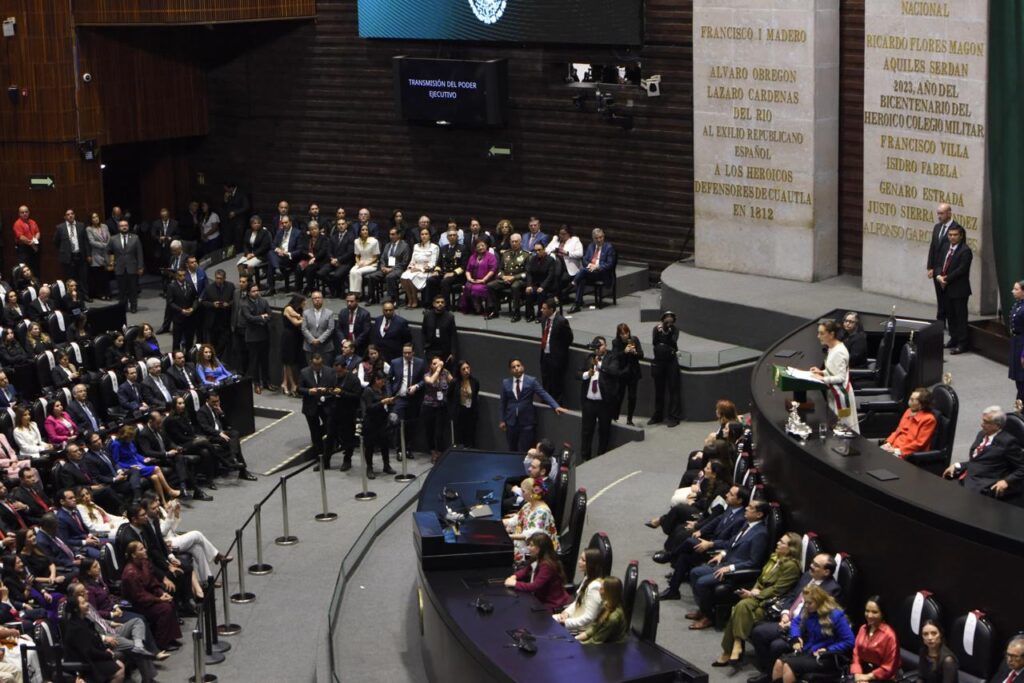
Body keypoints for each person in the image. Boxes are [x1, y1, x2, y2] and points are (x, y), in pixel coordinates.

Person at [715, 532, 803, 666]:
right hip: (758, 596)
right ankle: (735, 646)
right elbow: (761, 579)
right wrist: (752, 591)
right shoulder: (774, 557)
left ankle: (732, 648)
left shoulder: (792, 566)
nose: (778, 543)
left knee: (739, 609)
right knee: (742, 607)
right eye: (779, 540)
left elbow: (778, 589)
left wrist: (754, 595)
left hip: (771, 602)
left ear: (792, 548)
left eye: (782, 543)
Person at [687, 501, 771, 630]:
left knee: (702, 582)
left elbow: (754, 562)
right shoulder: (747, 524)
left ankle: (709, 617)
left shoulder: (761, 534)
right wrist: (723, 553)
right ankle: (704, 610)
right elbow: (732, 543)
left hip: (734, 573)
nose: (746, 508)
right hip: (725, 562)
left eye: (751, 508)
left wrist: (730, 568)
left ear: (759, 514)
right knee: (694, 572)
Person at [771, 585, 855, 683]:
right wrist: (796, 638)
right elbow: (795, 622)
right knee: (779, 662)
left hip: (827, 657)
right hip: (809, 650)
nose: (806, 605)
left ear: (819, 601)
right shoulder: (809, 611)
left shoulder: (835, 615)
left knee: (788, 665)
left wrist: (828, 649)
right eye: (805, 602)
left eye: (809, 603)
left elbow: (849, 641)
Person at [943, 406, 1024, 501]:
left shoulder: (1008, 443)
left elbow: (1022, 467)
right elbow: (978, 461)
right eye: (983, 420)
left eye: (986, 422)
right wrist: (958, 465)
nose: (982, 424)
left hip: (983, 483)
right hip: (969, 476)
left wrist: (1007, 481)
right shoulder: (981, 434)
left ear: (997, 425)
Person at [119, 541, 182, 651]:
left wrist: (162, 593)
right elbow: (139, 596)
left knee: (170, 602)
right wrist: (159, 599)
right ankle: (161, 643)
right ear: (133, 555)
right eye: (141, 549)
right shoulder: (130, 573)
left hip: (150, 597)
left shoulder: (144, 563)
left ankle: (170, 638)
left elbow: (153, 581)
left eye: (144, 548)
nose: (145, 550)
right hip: (138, 604)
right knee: (165, 608)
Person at [499, 358, 567, 451]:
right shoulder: (505, 383)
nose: (516, 368)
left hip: (526, 422)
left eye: (518, 366)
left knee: (525, 449)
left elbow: (543, 394)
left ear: (523, 367)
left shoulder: (531, 381)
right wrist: (502, 420)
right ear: (510, 370)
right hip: (511, 422)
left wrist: (556, 406)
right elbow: (503, 402)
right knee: (511, 448)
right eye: (513, 367)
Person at [62, 591, 128, 683]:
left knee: (120, 663)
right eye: (83, 603)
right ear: (76, 609)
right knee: (120, 670)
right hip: (85, 663)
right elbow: (88, 652)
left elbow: (96, 639)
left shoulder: (84, 620)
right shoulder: (76, 628)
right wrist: (107, 655)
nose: (87, 604)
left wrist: (105, 649)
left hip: (92, 657)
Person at [109, 425, 180, 507]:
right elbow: (116, 461)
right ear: (124, 436)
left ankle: (163, 502)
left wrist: (144, 459)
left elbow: (135, 454)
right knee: (156, 468)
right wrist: (129, 467)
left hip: (138, 463)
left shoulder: (129, 442)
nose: (132, 439)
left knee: (155, 478)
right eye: (130, 437)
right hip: (132, 468)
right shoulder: (116, 445)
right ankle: (169, 490)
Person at [810, 319, 859, 433]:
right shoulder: (833, 348)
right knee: (834, 426)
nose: (818, 336)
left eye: (822, 333)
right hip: (834, 393)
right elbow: (833, 370)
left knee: (843, 428)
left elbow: (841, 378)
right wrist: (822, 372)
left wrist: (823, 378)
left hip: (841, 395)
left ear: (831, 334)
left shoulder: (840, 352)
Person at [578, 336, 622, 461]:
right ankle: (585, 458)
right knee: (586, 432)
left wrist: (600, 365)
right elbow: (578, 374)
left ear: (605, 346)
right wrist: (587, 374)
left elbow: (614, 372)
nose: (597, 349)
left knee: (604, 431)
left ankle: (600, 457)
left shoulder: (612, 357)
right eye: (595, 347)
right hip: (589, 403)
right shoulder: (588, 357)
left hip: (604, 403)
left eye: (600, 346)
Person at [503, 532, 570, 611]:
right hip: (540, 599)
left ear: (540, 548)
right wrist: (514, 576)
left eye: (531, 545)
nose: (528, 547)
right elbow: (525, 571)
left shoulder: (547, 565)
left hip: (551, 604)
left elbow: (535, 586)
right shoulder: (537, 558)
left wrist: (515, 583)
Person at [503, 477, 559, 562]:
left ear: (532, 493)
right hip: (526, 544)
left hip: (536, 551)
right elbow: (515, 520)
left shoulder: (542, 512)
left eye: (523, 491)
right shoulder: (528, 505)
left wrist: (506, 537)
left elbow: (528, 536)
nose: (521, 493)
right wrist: (498, 523)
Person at [936, 224, 973, 354]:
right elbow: (940, 263)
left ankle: (963, 343)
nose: (952, 237)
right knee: (950, 316)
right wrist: (939, 275)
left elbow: (961, 270)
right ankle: (954, 338)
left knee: (960, 317)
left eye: (955, 235)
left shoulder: (965, 251)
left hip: (959, 290)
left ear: (961, 236)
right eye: (950, 235)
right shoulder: (946, 247)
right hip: (945, 288)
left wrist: (946, 279)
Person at [554, 549, 605, 633]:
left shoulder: (595, 586)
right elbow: (578, 602)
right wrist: (566, 613)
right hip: (574, 619)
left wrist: (566, 622)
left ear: (591, 564)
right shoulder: (587, 578)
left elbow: (589, 617)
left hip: (582, 630)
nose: (579, 562)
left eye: (583, 560)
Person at [849, 596, 900, 681]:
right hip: (861, 672)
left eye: (874, 612)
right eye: (867, 611)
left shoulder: (889, 635)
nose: (869, 615)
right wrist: (857, 673)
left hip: (880, 677)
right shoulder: (863, 628)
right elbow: (856, 653)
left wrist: (867, 677)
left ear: (882, 614)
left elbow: (889, 667)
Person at [926, 203, 958, 325]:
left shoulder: (957, 229)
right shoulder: (937, 227)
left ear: (949, 213)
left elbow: (957, 254)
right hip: (937, 269)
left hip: (948, 271)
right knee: (940, 297)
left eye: (941, 213)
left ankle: (951, 324)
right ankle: (940, 322)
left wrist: (948, 273)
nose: (939, 216)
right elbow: (933, 247)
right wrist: (930, 267)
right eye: (938, 213)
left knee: (948, 299)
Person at [570, 228, 616, 314]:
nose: (599, 240)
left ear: (603, 236)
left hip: (602, 273)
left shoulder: (609, 247)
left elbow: (610, 264)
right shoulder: (591, 246)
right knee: (582, 278)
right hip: (590, 272)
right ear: (593, 238)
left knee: (582, 272)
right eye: (596, 238)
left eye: (600, 237)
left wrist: (597, 267)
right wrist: (590, 265)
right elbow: (584, 260)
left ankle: (573, 282)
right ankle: (577, 304)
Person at [881, 388, 937, 458]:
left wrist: (896, 450)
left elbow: (919, 444)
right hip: (893, 447)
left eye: (912, 399)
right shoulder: (909, 411)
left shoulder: (929, 419)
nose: (909, 401)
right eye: (910, 398)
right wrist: (888, 443)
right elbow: (898, 431)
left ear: (921, 405)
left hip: (907, 454)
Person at [299, 353, 335, 457]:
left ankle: (329, 451)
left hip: (326, 406)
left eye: (320, 364)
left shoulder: (330, 371)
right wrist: (309, 391)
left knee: (329, 428)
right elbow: (299, 389)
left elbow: (334, 388)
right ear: (311, 363)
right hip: (311, 406)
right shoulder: (304, 372)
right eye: (315, 365)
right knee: (314, 431)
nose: (318, 367)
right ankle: (319, 454)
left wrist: (326, 390)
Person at [361, 372, 396, 479]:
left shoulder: (384, 389)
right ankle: (369, 468)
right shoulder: (368, 391)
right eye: (381, 380)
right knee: (370, 446)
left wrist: (390, 402)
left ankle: (386, 465)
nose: (383, 382)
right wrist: (382, 402)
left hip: (382, 421)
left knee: (384, 444)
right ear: (375, 380)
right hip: (371, 422)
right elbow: (369, 408)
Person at [486, 233, 528, 321]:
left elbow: (527, 272)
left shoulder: (526, 255)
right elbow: (500, 269)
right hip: (505, 279)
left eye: (516, 241)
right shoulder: (506, 254)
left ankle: (516, 312)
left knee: (515, 286)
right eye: (512, 241)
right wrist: (503, 276)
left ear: (520, 242)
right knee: (490, 285)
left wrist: (514, 277)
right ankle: (495, 310)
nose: (514, 243)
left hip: (519, 280)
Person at [650, 311, 682, 427]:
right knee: (659, 389)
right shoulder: (656, 329)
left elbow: (673, 341)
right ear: (663, 320)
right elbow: (654, 343)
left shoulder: (675, 330)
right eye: (666, 320)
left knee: (673, 389)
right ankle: (658, 415)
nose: (668, 322)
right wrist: (661, 331)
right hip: (659, 361)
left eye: (671, 320)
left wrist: (667, 332)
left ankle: (674, 417)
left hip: (671, 361)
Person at [538, 298, 573, 402]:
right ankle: (545, 400)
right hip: (545, 355)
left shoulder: (561, 321)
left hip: (556, 358)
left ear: (551, 309)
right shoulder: (544, 319)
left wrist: (559, 352)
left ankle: (557, 403)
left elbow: (569, 339)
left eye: (544, 308)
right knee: (545, 380)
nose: (541, 310)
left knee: (556, 383)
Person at [240, 282, 272, 393]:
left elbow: (269, 314)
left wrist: (261, 318)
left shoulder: (263, 301)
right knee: (254, 361)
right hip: (252, 337)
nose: (256, 292)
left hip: (264, 335)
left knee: (265, 360)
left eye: (257, 290)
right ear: (248, 292)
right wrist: (261, 318)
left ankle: (266, 382)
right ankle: (256, 383)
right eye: (253, 291)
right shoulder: (244, 303)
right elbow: (249, 318)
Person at [576, 576, 627, 644]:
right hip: (601, 641)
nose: (599, 590)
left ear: (609, 592)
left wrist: (577, 645)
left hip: (611, 648)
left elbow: (596, 641)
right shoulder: (606, 604)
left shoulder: (614, 617)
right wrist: (575, 639)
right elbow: (594, 627)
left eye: (602, 588)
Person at [425, 226, 468, 306]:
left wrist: (453, 273)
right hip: (443, 273)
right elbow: (439, 263)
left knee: (445, 282)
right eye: (450, 235)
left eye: (454, 235)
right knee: (431, 280)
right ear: (447, 237)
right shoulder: (443, 248)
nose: (452, 237)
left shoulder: (463, 248)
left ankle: (445, 305)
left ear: (457, 237)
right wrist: (436, 271)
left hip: (457, 275)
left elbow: (464, 266)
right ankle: (430, 304)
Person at [420, 356, 452, 463]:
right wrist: (438, 369)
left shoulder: (445, 374)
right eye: (434, 363)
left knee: (439, 433)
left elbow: (453, 383)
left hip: (441, 407)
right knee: (430, 431)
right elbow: (431, 381)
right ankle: (433, 452)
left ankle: (440, 452)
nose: (437, 365)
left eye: (438, 363)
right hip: (428, 406)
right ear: (430, 365)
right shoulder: (427, 375)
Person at [108, 219, 144, 314]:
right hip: (119, 268)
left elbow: (139, 254)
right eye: (122, 225)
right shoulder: (113, 238)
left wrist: (140, 267)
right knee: (122, 289)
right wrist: (109, 262)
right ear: (119, 227)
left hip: (132, 267)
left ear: (128, 226)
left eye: (126, 225)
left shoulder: (135, 238)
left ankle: (133, 306)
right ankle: (123, 306)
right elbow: (107, 251)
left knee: (133, 289)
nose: (124, 227)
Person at [54, 209, 91, 299]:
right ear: (65, 217)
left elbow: (86, 241)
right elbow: (56, 242)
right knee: (70, 278)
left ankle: (84, 295)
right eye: (68, 214)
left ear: (74, 215)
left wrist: (89, 255)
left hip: (80, 255)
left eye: (72, 214)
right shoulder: (60, 227)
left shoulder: (81, 225)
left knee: (83, 277)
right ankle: (71, 296)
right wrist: (64, 250)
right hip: (68, 257)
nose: (70, 215)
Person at [612, 323, 644, 425]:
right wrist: (624, 352)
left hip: (633, 373)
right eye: (623, 334)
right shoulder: (616, 342)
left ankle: (629, 419)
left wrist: (635, 352)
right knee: (619, 396)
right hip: (622, 373)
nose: (625, 335)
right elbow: (615, 357)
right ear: (619, 335)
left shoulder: (634, 340)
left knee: (632, 397)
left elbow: (641, 355)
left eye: (627, 333)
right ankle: (614, 416)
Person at [367, 227, 410, 304]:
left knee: (390, 276)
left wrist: (391, 269)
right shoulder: (387, 245)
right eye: (390, 234)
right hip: (385, 268)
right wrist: (383, 267)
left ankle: (393, 299)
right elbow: (382, 258)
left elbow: (404, 262)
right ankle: (371, 298)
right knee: (372, 276)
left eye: (393, 234)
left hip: (398, 269)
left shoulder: (405, 246)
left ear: (398, 235)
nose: (391, 236)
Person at [400, 226, 438, 309]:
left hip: (426, 271)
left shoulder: (434, 247)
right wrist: (409, 267)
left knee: (411, 277)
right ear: (420, 236)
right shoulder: (416, 246)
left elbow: (433, 264)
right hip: (415, 269)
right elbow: (412, 260)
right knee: (403, 276)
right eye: (422, 234)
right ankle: (411, 298)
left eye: (426, 234)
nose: (424, 236)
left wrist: (420, 269)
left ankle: (415, 300)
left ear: (429, 236)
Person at [200, 269, 235, 357]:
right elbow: (203, 302)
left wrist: (228, 304)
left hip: (225, 320)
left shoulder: (230, 286)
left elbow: (234, 300)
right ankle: (214, 359)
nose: (218, 280)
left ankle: (217, 358)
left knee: (224, 342)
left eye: (220, 278)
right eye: (217, 278)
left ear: (224, 278)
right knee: (213, 343)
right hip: (213, 321)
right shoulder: (208, 288)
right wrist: (212, 304)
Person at [523, 241, 557, 322]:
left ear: (544, 249)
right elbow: (529, 273)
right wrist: (529, 285)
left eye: (539, 250)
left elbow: (550, 276)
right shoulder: (533, 259)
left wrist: (542, 287)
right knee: (528, 292)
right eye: (535, 250)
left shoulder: (550, 260)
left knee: (541, 293)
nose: (537, 252)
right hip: (535, 284)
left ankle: (540, 315)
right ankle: (530, 315)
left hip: (547, 285)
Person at [268, 214, 301, 294]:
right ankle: (271, 288)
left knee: (271, 262)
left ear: (290, 222)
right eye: (282, 223)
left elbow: (300, 250)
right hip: (280, 256)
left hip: (290, 257)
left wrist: (288, 253)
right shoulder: (280, 231)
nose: (284, 225)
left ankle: (277, 267)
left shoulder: (298, 233)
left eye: (286, 223)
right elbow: (273, 244)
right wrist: (278, 250)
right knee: (270, 253)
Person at [280, 294, 306, 397]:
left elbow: (299, 316)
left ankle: (284, 383)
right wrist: (303, 319)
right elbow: (295, 322)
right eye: (303, 301)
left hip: (296, 336)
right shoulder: (288, 308)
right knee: (288, 361)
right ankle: (293, 385)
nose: (305, 304)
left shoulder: (299, 310)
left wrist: (301, 317)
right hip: (288, 337)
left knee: (289, 362)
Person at [462, 238, 497, 315]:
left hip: (486, 281)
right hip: (473, 280)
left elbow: (492, 270)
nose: (480, 247)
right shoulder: (472, 256)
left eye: (482, 245)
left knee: (476, 288)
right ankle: (474, 306)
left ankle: (478, 307)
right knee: (467, 286)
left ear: (486, 246)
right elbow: (468, 270)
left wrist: (483, 280)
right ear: (475, 248)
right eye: (478, 246)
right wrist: (469, 278)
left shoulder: (491, 256)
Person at [422, 295, 458, 368]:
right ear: (433, 304)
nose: (440, 304)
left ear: (445, 304)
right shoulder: (427, 315)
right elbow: (423, 332)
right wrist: (424, 347)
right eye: (437, 302)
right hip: (431, 349)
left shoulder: (449, 317)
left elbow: (453, 335)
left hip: (445, 351)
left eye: (442, 302)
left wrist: (453, 353)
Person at [167, 268, 198, 351]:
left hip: (190, 317)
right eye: (180, 275)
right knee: (177, 341)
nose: (183, 277)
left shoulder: (190, 284)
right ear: (176, 276)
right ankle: (176, 358)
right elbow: (170, 303)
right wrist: (181, 310)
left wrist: (193, 308)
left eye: (184, 275)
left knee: (189, 341)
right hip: (178, 317)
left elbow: (195, 298)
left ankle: (189, 358)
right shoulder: (172, 286)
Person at [302, 290, 336, 367]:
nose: (317, 300)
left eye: (319, 298)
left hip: (325, 347)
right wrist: (312, 340)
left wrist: (319, 340)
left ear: (322, 299)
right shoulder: (305, 313)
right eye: (315, 298)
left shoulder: (329, 313)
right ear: (312, 300)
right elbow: (304, 328)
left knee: (326, 370)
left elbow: (330, 328)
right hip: (310, 347)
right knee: (310, 370)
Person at [237, 216, 273, 287]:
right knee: (239, 265)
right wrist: (247, 253)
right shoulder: (248, 231)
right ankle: (248, 281)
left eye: (258, 223)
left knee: (250, 265)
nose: (257, 224)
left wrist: (253, 254)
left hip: (260, 255)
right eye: (255, 223)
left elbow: (264, 247)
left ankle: (249, 284)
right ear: (251, 224)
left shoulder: (264, 233)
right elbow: (245, 245)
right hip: (249, 254)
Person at [348, 223, 381, 298]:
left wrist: (366, 264)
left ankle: (357, 294)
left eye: (366, 230)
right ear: (360, 232)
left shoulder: (374, 241)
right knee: (352, 271)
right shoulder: (356, 241)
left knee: (357, 272)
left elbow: (376, 257)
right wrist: (358, 263)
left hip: (371, 264)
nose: (365, 231)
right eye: (363, 230)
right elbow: (357, 255)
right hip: (361, 263)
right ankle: (353, 292)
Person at [453, 361, 480, 448]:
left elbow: (475, 396)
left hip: (471, 412)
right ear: (459, 371)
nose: (466, 371)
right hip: (459, 412)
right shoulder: (455, 382)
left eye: (468, 368)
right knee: (459, 436)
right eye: (463, 369)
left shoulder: (475, 381)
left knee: (470, 435)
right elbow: (449, 396)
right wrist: (451, 411)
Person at [336, 292, 372, 357]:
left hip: (359, 347)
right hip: (345, 346)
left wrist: (353, 344)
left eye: (351, 301)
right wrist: (344, 341)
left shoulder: (365, 314)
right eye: (347, 301)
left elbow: (366, 332)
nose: (349, 303)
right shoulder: (343, 312)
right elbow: (338, 328)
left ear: (357, 301)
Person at [86, 211, 112, 300]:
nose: (96, 218)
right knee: (98, 277)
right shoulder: (89, 229)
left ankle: (108, 293)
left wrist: (107, 245)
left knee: (106, 276)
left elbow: (109, 237)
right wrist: (104, 245)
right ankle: (100, 294)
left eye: (96, 216)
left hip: (105, 254)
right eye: (93, 217)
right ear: (91, 220)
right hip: (96, 255)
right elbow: (91, 241)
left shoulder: (105, 226)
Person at [296, 220, 327, 294]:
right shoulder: (307, 238)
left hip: (319, 260)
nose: (314, 231)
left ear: (318, 229)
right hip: (308, 258)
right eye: (311, 229)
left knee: (309, 269)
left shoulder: (323, 238)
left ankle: (311, 289)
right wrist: (308, 254)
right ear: (309, 230)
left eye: (315, 229)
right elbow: (302, 249)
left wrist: (314, 258)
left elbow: (323, 251)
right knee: (298, 267)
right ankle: (299, 288)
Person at [13, 205, 40, 273]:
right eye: (22, 212)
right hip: (23, 249)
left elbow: (38, 232)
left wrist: (35, 240)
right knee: (24, 268)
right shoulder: (17, 223)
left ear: (29, 212)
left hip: (33, 247)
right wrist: (31, 243)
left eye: (26, 212)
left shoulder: (32, 222)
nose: (25, 213)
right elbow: (21, 237)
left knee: (33, 267)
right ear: (19, 214)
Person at [1010, 282, 1024, 403]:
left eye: (1016, 289)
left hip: (1022, 344)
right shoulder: (1018, 304)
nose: (1012, 291)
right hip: (1016, 343)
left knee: (1022, 377)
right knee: (1018, 378)